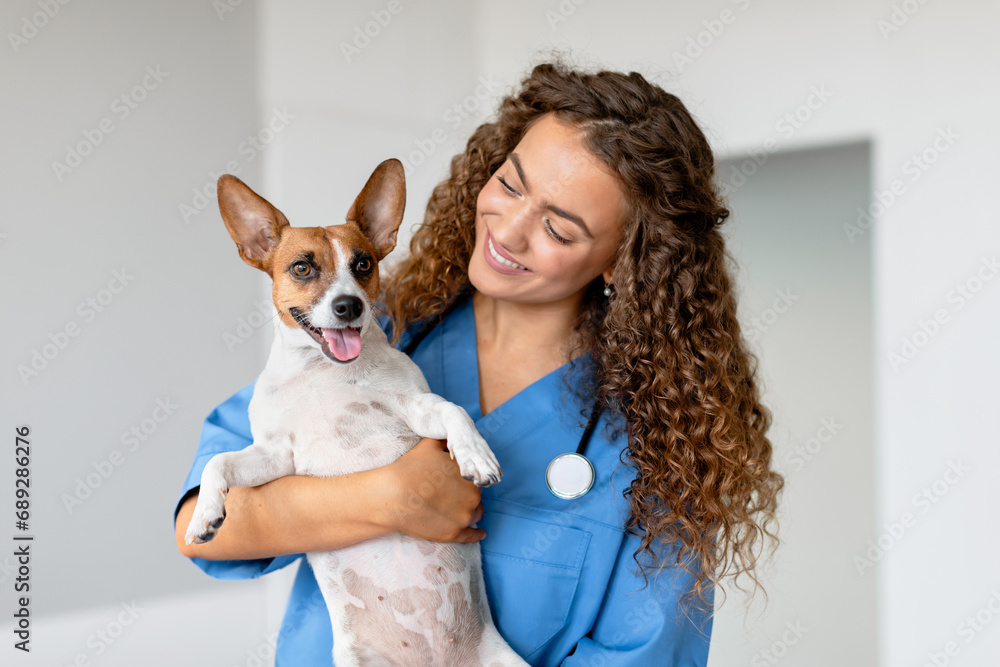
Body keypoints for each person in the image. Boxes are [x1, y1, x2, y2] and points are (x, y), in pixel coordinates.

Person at [174, 59, 784, 666]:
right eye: (511, 184)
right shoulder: (367, 340)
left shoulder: (662, 445)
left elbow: (640, 654)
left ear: (624, 261)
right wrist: (386, 497)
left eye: (559, 227)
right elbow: (205, 528)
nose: (508, 230)